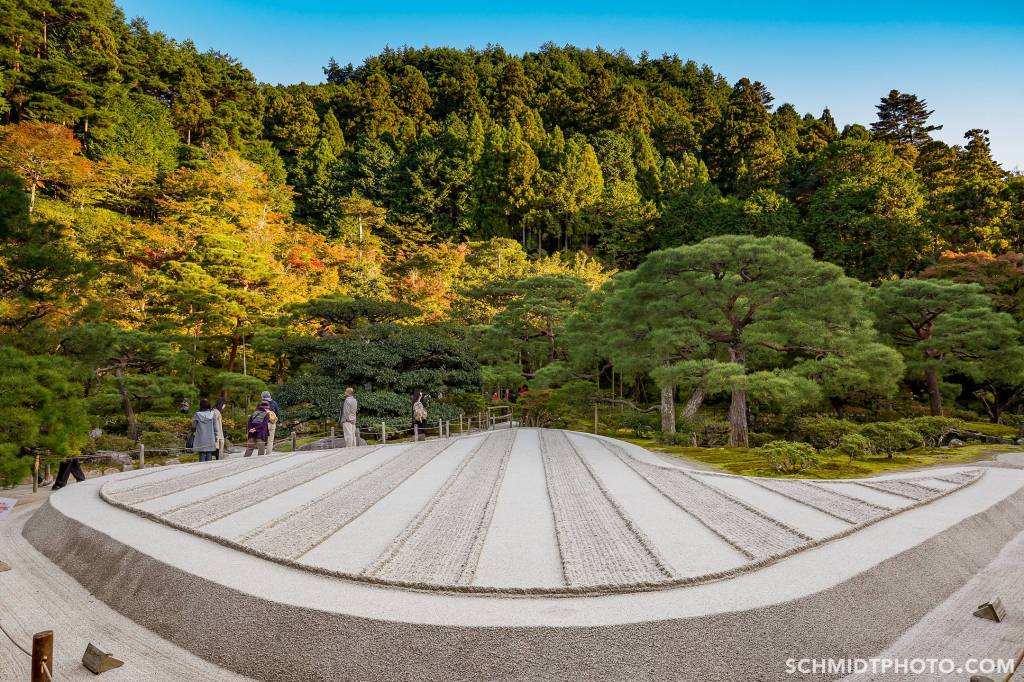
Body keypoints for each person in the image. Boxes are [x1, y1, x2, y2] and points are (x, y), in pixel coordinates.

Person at [192, 398, 224, 462]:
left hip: (201, 438)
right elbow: (215, 428)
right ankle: (209, 469)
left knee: (202, 454)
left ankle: (201, 469)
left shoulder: (197, 414)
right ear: (209, 405)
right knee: (209, 453)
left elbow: (194, 426)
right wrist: (216, 436)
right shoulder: (212, 414)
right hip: (210, 437)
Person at [261, 390, 281, 455]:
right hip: (272, 423)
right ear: (269, 395)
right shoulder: (274, 403)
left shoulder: (261, 403)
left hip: (264, 424)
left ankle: (261, 454)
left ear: (262, 396)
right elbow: (278, 413)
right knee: (270, 440)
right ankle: (268, 454)